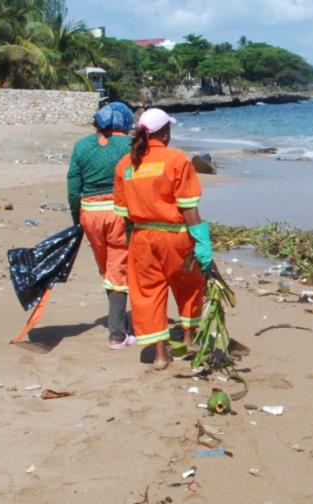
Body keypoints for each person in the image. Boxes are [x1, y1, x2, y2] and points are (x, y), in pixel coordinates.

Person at [113, 108, 213, 370]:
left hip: (142, 237)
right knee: (189, 286)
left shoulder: (126, 164)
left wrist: (132, 242)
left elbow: (124, 214)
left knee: (149, 293)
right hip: (176, 237)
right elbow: (189, 207)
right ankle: (189, 340)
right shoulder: (176, 160)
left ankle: (159, 355)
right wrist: (201, 240)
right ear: (165, 133)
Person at [67, 102, 136, 349]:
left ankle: (122, 324)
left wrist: (77, 220)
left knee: (107, 268)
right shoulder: (130, 146)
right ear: (126, 122)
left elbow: (74, 187)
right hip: (119, 213)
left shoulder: (81, 146)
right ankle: (118, 333)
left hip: (90, 214)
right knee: (121, 267)